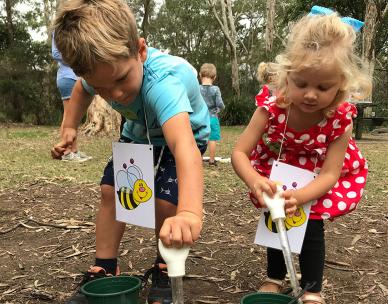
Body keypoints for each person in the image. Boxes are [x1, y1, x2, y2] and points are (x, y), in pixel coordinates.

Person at [50, 1, 210, 303]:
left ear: (140, 50)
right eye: (104, 88)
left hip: (181, 134)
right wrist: (69, 126)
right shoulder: (101, 74)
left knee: (166, 200)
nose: (116, 94)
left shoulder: (162, 83)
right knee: (111, 190)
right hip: (140, 133)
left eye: (122, 79)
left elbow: (184, 147)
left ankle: (166, 265)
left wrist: (189, 212)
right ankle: (105, 267)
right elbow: (82, 89)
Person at [231, 10, 371, 304]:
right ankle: (274, 276)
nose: (310, 95)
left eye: (323, 87)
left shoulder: (340, 118)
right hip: (279, 168)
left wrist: (305, 195)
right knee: (275, 216)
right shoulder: (272, 107)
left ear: (341, 86)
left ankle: (312, 287)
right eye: (301, 83)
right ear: (287, 76)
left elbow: (331, 173)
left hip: (318, 175)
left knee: (313, 222)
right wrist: (255, 180)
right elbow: (239, 152)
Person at [51, 33, 91, 162]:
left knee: (72, 118)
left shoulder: (76, 29)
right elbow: (56, 53)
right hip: (67, 77)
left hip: (76, 77)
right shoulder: (59, 30)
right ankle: (67, 152)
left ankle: (73, 150)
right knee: (69, 116)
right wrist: (76, 58)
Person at [199, 63, 225, 166]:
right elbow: (220, 104)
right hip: (212, 117)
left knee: (199, 139)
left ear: (200, 75)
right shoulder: (216, 89)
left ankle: (198, 159)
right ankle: (211, 160)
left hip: (200, 118)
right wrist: (218, 109)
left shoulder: (197, 88)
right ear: (214, 77)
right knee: (212, 139)